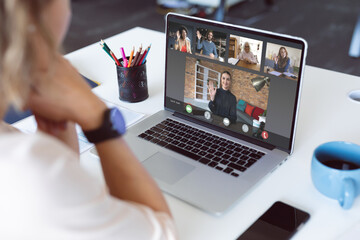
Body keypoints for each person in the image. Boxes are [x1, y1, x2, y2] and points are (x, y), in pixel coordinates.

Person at [0, 0, 176, 239]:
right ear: (32, 19)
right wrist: (99, 119)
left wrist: (58, 134)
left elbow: (63, 194)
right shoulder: (30, 171)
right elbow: (163, 233)